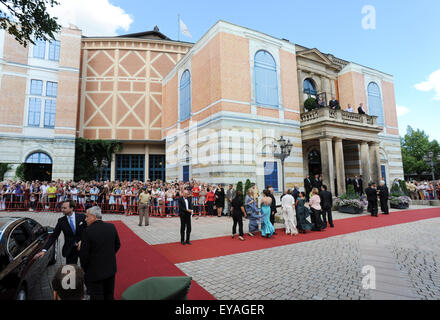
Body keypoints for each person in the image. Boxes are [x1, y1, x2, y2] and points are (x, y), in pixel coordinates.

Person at [80, 206, 121, 300]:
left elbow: (84, 255)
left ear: (94, 217)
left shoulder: (87, 231)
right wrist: (108, 255)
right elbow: (117, 245)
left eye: (87, 216)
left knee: (96, 296)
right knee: (109, 295)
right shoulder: (111, 227)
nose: (85, 219)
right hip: (110, 269)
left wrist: (84, 267)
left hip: (95, 272)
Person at [34, 200, 87, 264]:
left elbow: (89, 230)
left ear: (72, 208)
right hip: (70, 250)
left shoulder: (82, 217)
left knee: (86, 267)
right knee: (70, 269)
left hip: (83, 247)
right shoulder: (61, 221)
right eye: (62, 207)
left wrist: (83, 240)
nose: (62, 209)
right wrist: (44, 250)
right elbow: (54, 236)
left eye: (64, 208)